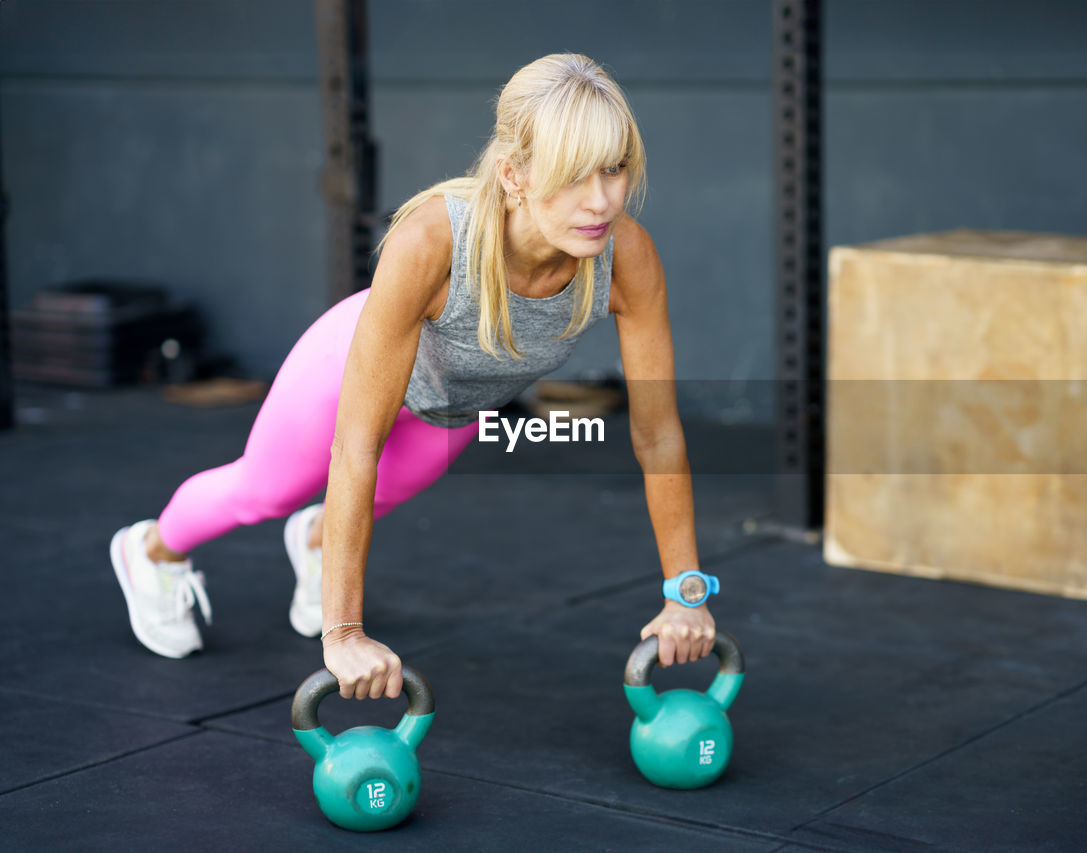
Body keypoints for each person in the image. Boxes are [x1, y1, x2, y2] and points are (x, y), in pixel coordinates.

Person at [109, 53, 718, 700]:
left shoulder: (626, 256)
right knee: (266, 490)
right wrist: (343, 631)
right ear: (514, 176)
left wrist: (686, 591)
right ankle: (152, 552)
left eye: (614, 168)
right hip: (346, 368)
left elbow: (657, 435)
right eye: (573, 177)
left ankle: (317, 543)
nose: (601, 201)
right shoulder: (434, 243)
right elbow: (356, 445)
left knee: (375, 500)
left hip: (452, 407)